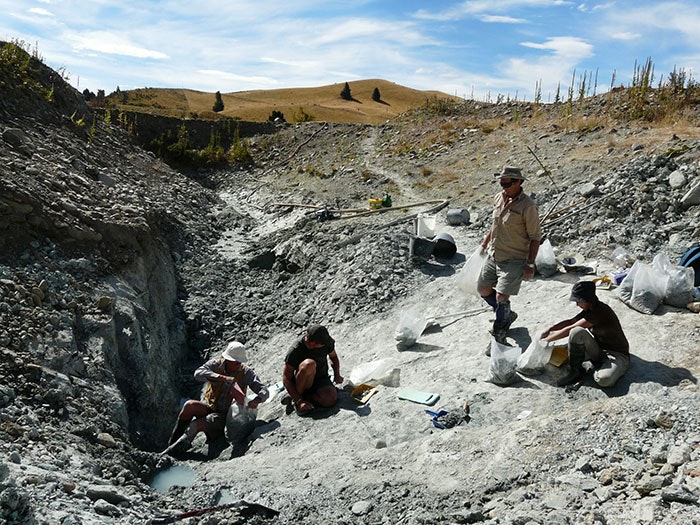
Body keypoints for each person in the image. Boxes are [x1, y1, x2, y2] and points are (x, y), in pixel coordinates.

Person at [162, 341, 269, 457]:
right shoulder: (215, 365)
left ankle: (175, 454)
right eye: (235, 362)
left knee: (196, 425)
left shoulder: (246, 372)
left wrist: (257, 400)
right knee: (189, 405)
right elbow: (198, 373)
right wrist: (220, 377)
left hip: (226, 417)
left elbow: (264, 390)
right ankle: (171, 445)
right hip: (210, 407)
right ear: (227, 359)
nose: (238, 364)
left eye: (239, 362)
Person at [477, 166, 541, 349]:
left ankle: (499, 336)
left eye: (508, 183)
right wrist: (484, 244)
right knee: (483, 289)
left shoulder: (528, 206)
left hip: (514, 257)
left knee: (501, 296)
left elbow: (535, 237)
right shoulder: (499, 197)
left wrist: (530, 263)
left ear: (519, 182)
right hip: (495, 253)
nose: (504, 186)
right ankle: (507, 316)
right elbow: (495, 224)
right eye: (501, 183)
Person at [541, 280, 630, 388]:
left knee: (604, 380)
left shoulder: (600, 312)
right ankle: (576, 372)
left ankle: (593, 369)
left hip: (616, 354)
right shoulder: (589, 309)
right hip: (599, 349)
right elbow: (571, 322)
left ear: (587, 300)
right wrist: (550, 329)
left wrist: (546, 341)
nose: (577, 304)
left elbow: (570, 328)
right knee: (577, 333)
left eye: (578, 301)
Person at [282, 324, 343, 415]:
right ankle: (298, 399)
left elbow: (333, 357)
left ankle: (307, 398)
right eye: (321, 344)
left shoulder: (326, 342)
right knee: (309, 364)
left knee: (331, 400)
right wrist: (299, 400)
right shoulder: (296, 349)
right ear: (312, 343)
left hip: (321, 378)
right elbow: (286, 377)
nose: (324, 345)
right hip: (302, 381)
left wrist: (337, 374)